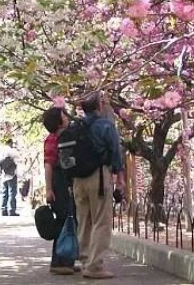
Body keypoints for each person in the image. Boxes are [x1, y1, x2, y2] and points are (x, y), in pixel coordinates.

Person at [75, 92, 125, 279]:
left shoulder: (76, 125)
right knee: (101, 221)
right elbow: (115, 153)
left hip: (78, 179)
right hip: (99, 176)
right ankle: (95, 266)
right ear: (100, 106)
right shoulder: (106, 125)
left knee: (84, 219)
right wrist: (120, 178)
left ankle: (86, 259)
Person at [42, 106, 80, 275]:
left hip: (66, 181)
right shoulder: (52, 140)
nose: (67, 117)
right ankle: (58, 262)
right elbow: (49, 165)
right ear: (58, 122)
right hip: (59, 182)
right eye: (63, 115)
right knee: (64, 219)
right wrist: (49, 188)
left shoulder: (67, 136)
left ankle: (67, 259)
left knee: (70, 219)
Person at [0, 139, 20, 216]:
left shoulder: (0, 151)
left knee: (4, 193)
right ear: (10, 143)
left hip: (3, 175)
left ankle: (3, 209)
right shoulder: (10, 150)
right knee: (12, 193)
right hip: (11, 174)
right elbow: (17, 156)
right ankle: (11, 210)